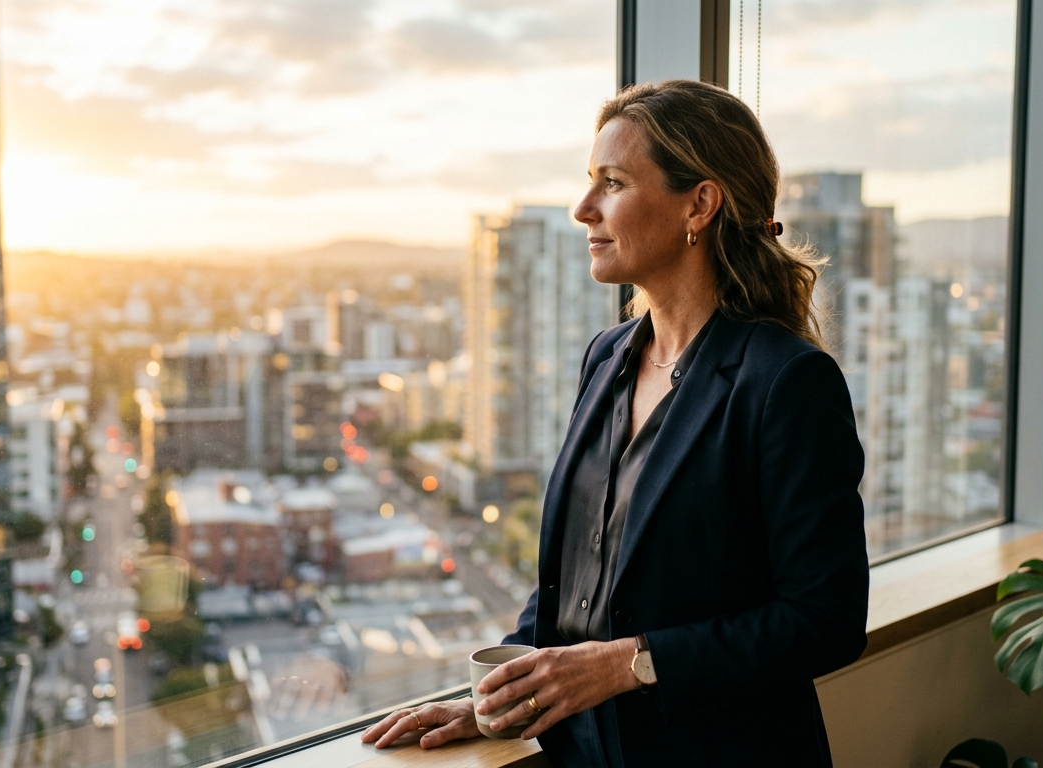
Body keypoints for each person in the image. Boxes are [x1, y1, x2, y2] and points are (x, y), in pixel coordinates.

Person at [361, 79, 869, 766]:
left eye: (613, 182)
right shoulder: (607, 357)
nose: (583, 209)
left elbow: (825, 623)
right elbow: (575, 585)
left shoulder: (786, 381)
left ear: (700, 204)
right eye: (589, 182)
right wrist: (504, 696)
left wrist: (629, 664)